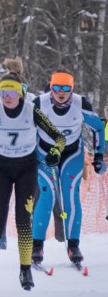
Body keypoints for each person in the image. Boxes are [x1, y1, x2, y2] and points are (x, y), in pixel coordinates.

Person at [0, 72, 66, 291]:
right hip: (0, 169)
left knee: (23, 219)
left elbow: (59, 137)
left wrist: (55, 152)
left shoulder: (31, 110)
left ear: (20, 93)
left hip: (25, 169)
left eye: (11, 92)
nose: (6, 97)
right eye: (2, 92)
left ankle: (25, 270)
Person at [31, 70, 105, 266]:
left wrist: (98, 155)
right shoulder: (40, 103)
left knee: (71, 195)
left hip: (72, 154)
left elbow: (98, 127)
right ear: (51, 87)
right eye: (56, 88)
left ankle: (73, 245)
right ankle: (37, 246)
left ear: (72, 89)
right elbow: (25, 125)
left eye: (66, 88)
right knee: (47, 195)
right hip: (45, 153)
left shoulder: (81, 104)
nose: (60, 92)